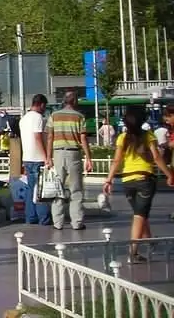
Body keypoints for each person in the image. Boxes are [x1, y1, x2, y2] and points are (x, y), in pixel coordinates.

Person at [102, 106, 174, 263]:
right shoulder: (148, 136)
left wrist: (109, 179)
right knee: (139, 215)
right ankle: (133, 252)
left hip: (127, 182)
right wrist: (169, 175)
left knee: (140, 212)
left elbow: (116, 160)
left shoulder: (122, 138)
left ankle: (149, 241)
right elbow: (156, 157)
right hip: (145, 180)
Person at [45, 91, 92, 230]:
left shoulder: (54, 115)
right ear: (75, 101)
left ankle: (57, 223)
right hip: (74, 154)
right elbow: (83, 139)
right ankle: (77, 222)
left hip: (58, 153)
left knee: (57, 188)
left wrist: (48, 157)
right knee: (76, 189)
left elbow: (49, 137)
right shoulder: (80, 117)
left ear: (64, 101)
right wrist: (89, 158)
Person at [19, 94, 52, 226]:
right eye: (45, 106)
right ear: (42, 104)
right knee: (40, 190)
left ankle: (30, 217)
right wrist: (46, 157)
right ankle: (43, 218)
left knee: (30, 189)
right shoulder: (38, 118)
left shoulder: (24, 118)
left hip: (27, 157)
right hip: (37, 158)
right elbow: (38, 137)